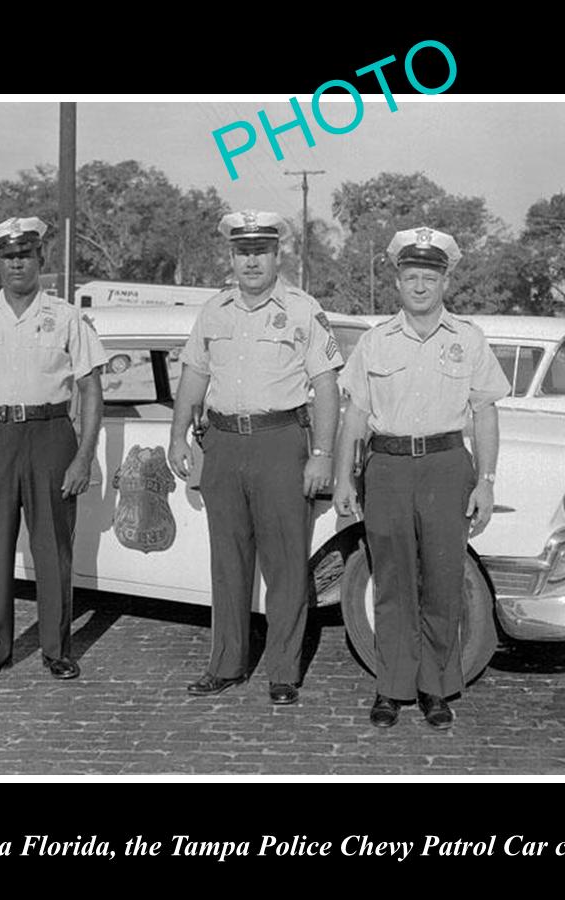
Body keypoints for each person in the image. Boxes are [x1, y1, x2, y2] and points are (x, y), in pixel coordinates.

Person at [333, 226, 510, 729]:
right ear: (397, 282)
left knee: (442, 580)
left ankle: (436, 687)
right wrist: (344, 477)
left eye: (429, 278)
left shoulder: (469, 340)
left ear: (444, 282)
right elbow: (354, 416)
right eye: (410, 277)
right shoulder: (374, 341)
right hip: (386, 467)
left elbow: (486, 414)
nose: (419, 287)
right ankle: (391, 687)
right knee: (391, 581)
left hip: (446, 465)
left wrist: (487, 480)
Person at [168, 210, 342, 706]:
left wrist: (322, 453)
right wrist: (179, 434)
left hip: (279, 440)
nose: (251, 261)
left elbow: (326, 387)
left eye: (260, 251)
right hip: (222, 442)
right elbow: (195, 376)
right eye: (242, 252)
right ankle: (226, 664)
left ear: (276, 254)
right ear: (231, 256)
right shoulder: (214, 310)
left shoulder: (304, 309)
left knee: (285, 563)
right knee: (227, 561)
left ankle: (283, 671)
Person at [0, 216, 107, 684]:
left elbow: (91, 390)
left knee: (53, 546)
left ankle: (56, 649)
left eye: (25, 255)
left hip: (50, 435)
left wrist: (84, 455)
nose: (17, 264)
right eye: (8, 257)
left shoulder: (67, 317)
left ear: (40, 259)